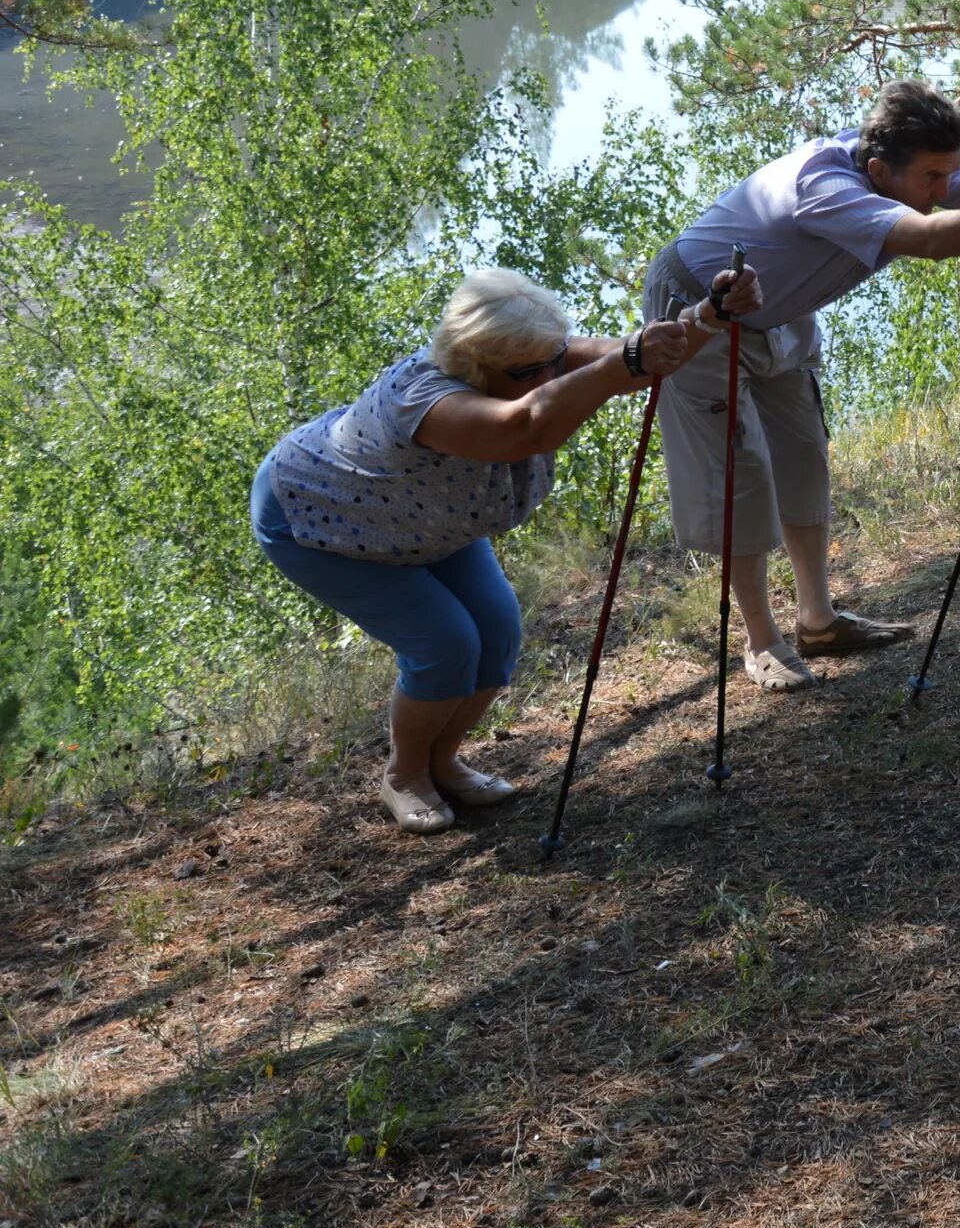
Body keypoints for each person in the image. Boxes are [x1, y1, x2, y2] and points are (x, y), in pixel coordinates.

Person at [253, 265, 754, 833]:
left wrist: (705, 318)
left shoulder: (525, 358)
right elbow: (527, 426)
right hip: (324, 522)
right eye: (531, 370)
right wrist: (621, 366)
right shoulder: (423, 401)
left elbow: (633, 359)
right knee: (444, 643)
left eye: (553, 359)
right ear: (477, 367)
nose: (548, 374)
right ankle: (404, 773)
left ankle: (444, 763)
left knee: (496, 631)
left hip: (426, 520)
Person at [650, 80, 960, 690]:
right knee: (740, 472)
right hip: (699, 309)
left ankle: (818, 619)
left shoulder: (898, 164)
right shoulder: (826, 189)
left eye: (947, 174)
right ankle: (761, 639)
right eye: (931, 179)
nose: (943, 192)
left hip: (779, 311)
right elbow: (933, 240)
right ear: (877, 169)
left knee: (804, 456)